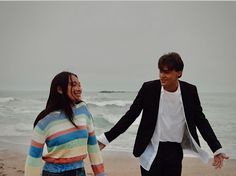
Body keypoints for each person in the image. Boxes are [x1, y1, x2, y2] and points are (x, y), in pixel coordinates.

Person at [97, 52, 229, 176]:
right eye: (160, 71)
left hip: (175, 151)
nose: (162, 75)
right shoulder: (149, 89)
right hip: (150, 148)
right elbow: (130, 115)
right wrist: (106, 139)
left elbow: (201, 120)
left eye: (167, 72)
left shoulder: (190, 91)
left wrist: (216, 148)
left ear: (179, 73)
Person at [25, 71, 106, 176]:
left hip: (79, 172)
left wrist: (100, 174)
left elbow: (93, 146)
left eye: (79, 85)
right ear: (59, 89)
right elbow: (34, 157)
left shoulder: (83, 110)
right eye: (73, 85)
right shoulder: (45, 120)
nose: (78, 89)